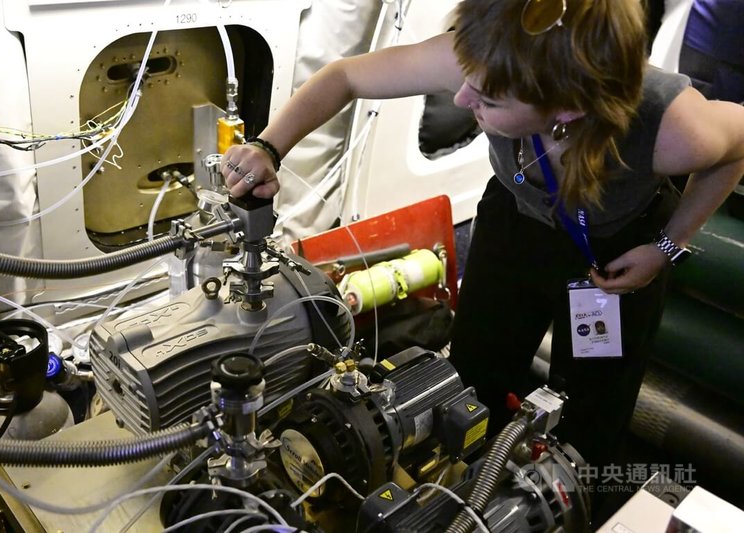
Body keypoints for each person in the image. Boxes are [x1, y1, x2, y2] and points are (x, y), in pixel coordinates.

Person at [221, 0, 744, 521]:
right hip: (513, 227)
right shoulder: (489, 56)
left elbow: (736, 149)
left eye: (488, 98)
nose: (463, 93)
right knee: (471, 380)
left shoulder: (672, 127)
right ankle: (471, 495)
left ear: (567, 110)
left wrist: (666, 246)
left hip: (613, 262)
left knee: (590, 425)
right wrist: (269, 147)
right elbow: (344, 77)